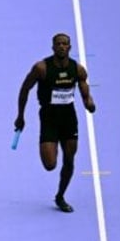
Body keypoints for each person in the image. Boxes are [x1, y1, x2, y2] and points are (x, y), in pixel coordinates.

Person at [15, 32, 97, 212]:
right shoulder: (41, 68)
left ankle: (60, 196)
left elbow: (85, 93)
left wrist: (89, 103)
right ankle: (54, 146)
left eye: (65, 43)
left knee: (69, 161)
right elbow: (25, 89)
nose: (61, 46)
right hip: (49, 119)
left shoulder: (78, 70)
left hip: (69, 120)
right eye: (58, 44)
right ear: (53, 47)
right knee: (50, 165)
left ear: (69, 47)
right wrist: (21, 116)